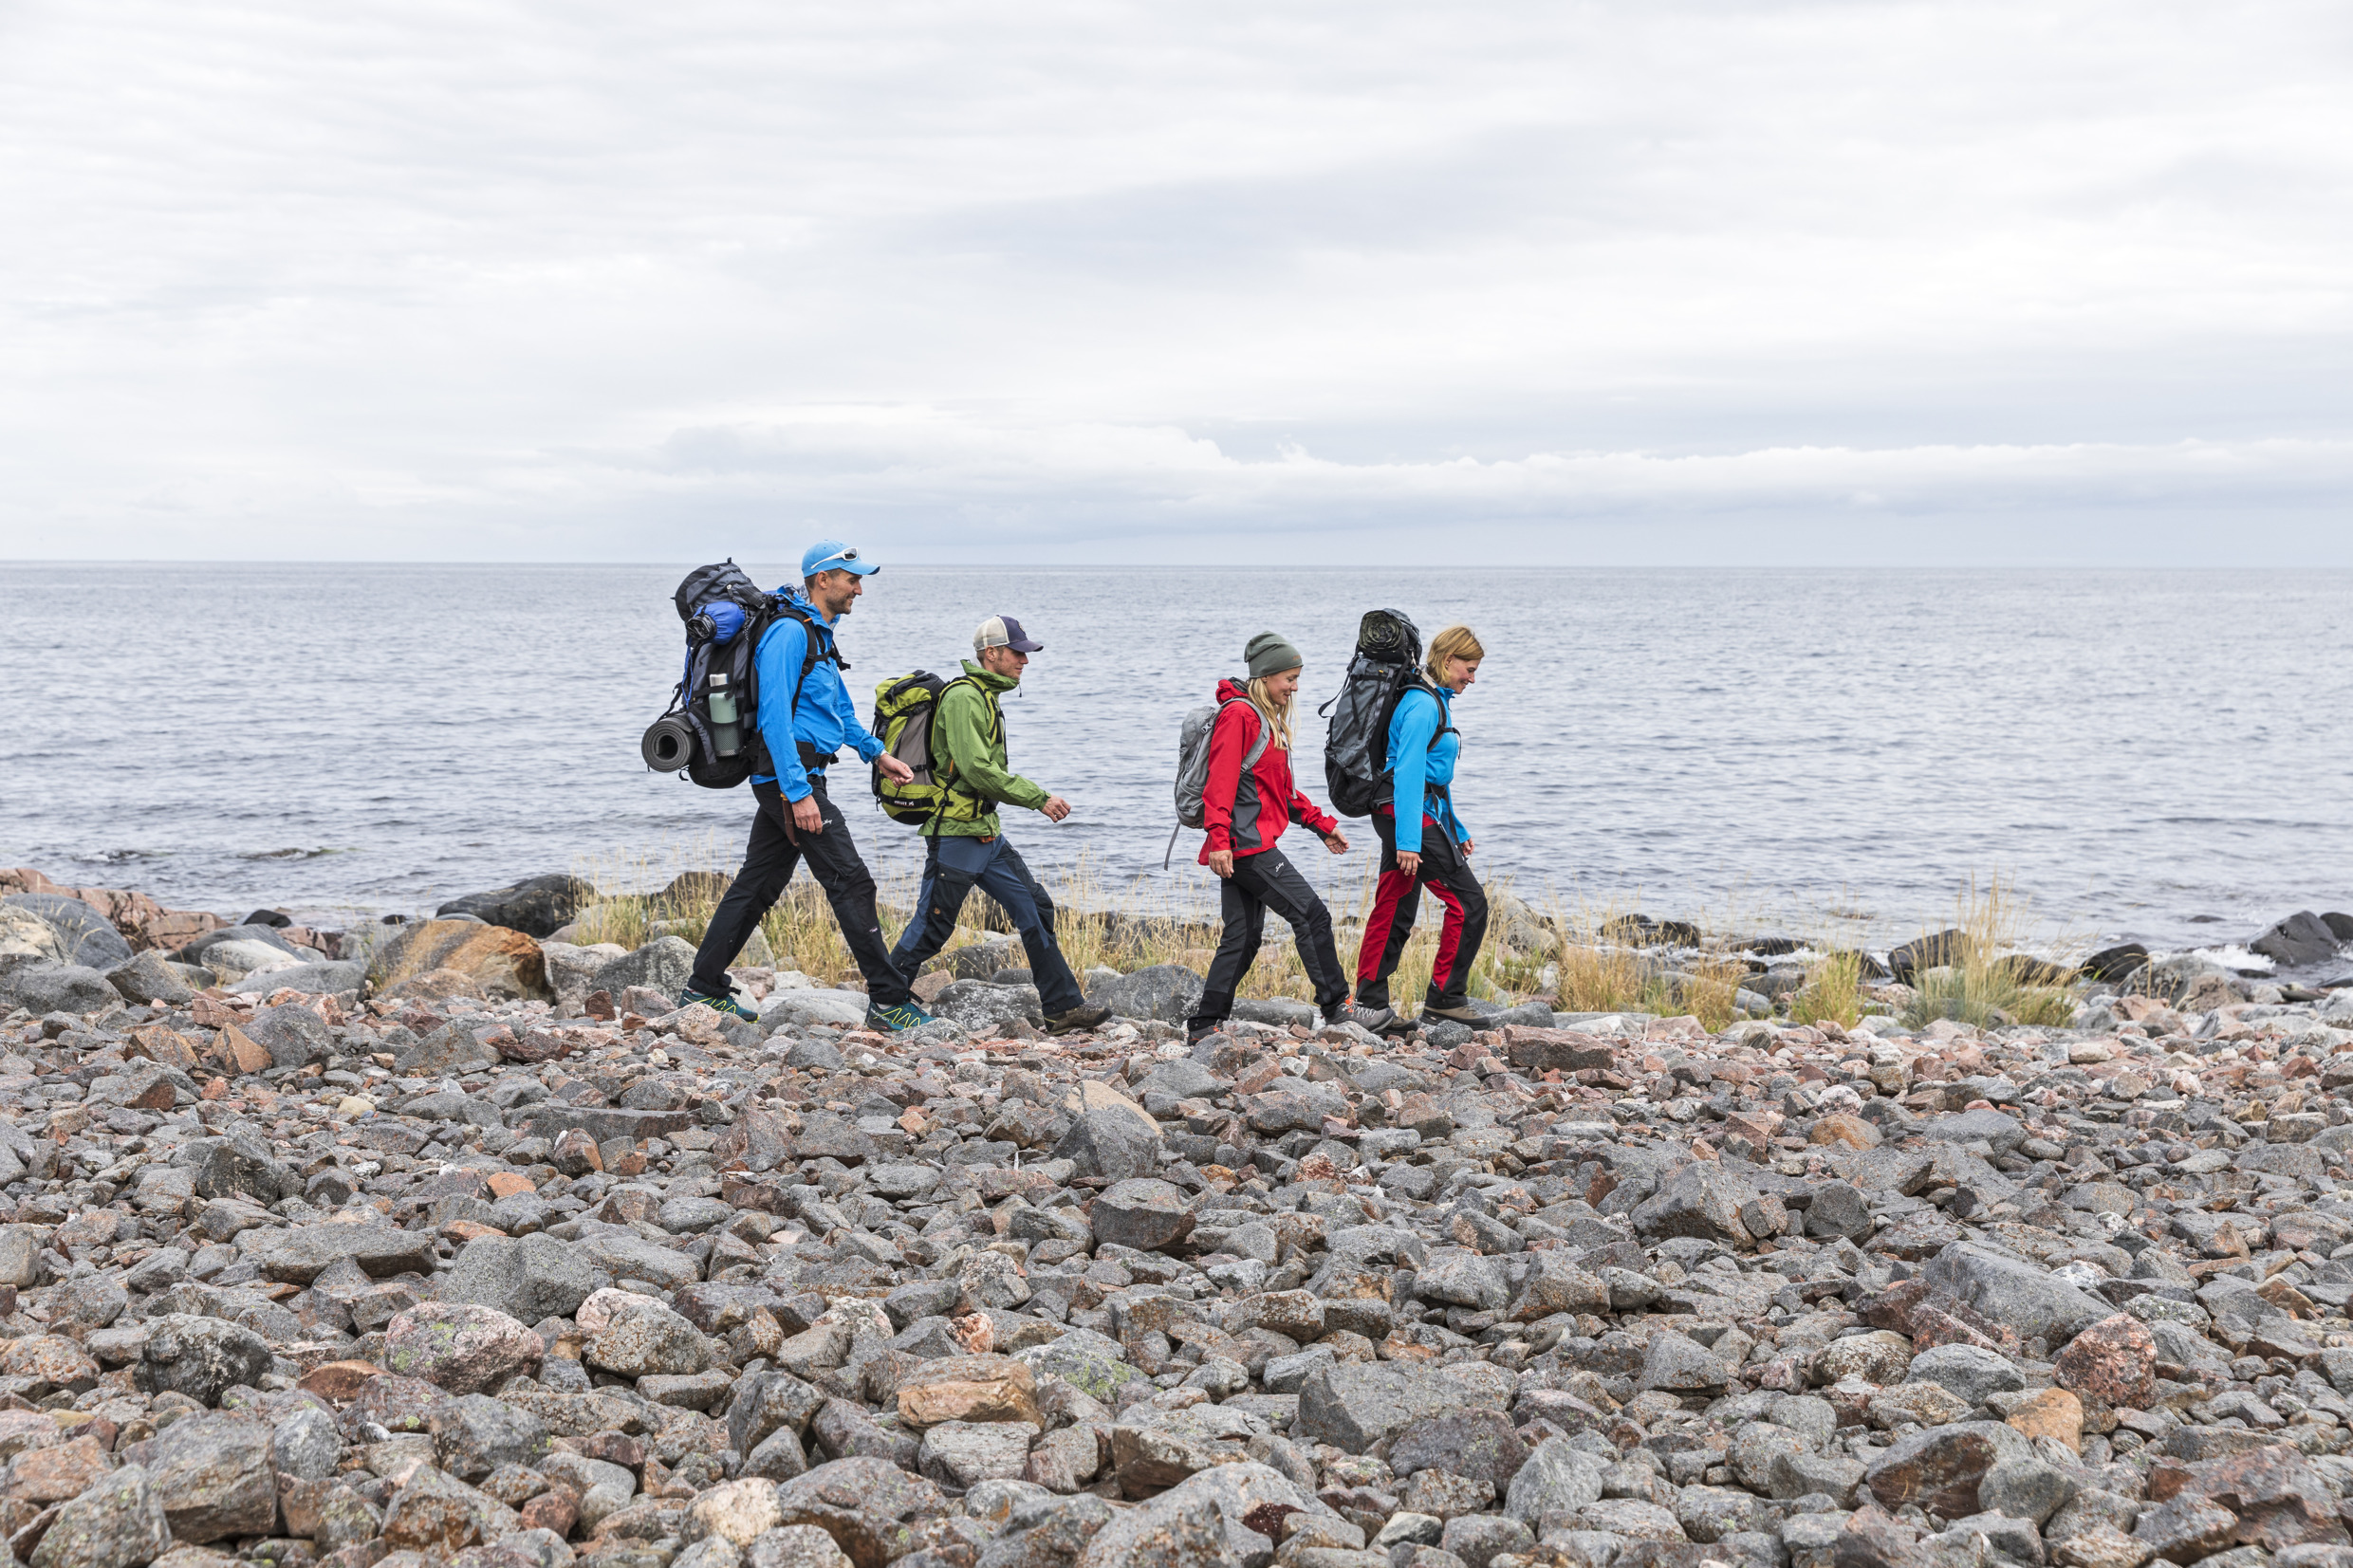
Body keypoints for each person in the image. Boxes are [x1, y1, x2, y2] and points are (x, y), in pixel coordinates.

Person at [680, 542, 936, 1032]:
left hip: (800, 774)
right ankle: (887, 1000)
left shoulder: (819, 636)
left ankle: (704, 987)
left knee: (758, 884)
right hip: (786, 777)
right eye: (851, 579)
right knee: (852, 881)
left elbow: (837, 711)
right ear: (823, 580)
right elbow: (776, 719)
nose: (858, 589)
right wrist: (797, 793)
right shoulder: (787, 635)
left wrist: (876, 753)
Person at [886, 616, 1110, 1035]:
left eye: (1026, 652)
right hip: (955, 833)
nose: (1025, 659)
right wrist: (1038, 798)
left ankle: (1062, 1009)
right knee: (932, 925)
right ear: (992, 654)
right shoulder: (965, 697)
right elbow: (976, 769)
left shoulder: (987, 696)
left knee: (1036, 908)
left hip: (985, 833)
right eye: (1017, 652)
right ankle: (885, 1001)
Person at [1187, 633, 1403, 1044]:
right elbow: (1220, 784)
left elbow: (1281, 792)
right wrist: (1218, 839)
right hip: (1244, 846)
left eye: (1297, 677)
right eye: (1289, 677)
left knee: (1243, 936)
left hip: (1245, 843)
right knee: (1311, 915)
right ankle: (1338, 1006)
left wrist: (1321, 825)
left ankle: (1203, 1024)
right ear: (1265, 676)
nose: (1295, 687)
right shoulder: (1240, 716)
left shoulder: (1266, 719)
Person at [1354, 623, 1490, 1024]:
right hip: (1404, 814)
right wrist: (1409, 841)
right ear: (1448, 661)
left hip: (1405, 812)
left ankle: (1369, 1004)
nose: (1473, 678)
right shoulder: (1423, 705)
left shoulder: (1435, 699)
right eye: (1469, 668)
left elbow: (1433, 778)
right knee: (1469, 904)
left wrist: (1455, 828)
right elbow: (1409, 775)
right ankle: (1445, 999)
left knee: (1395, 905)